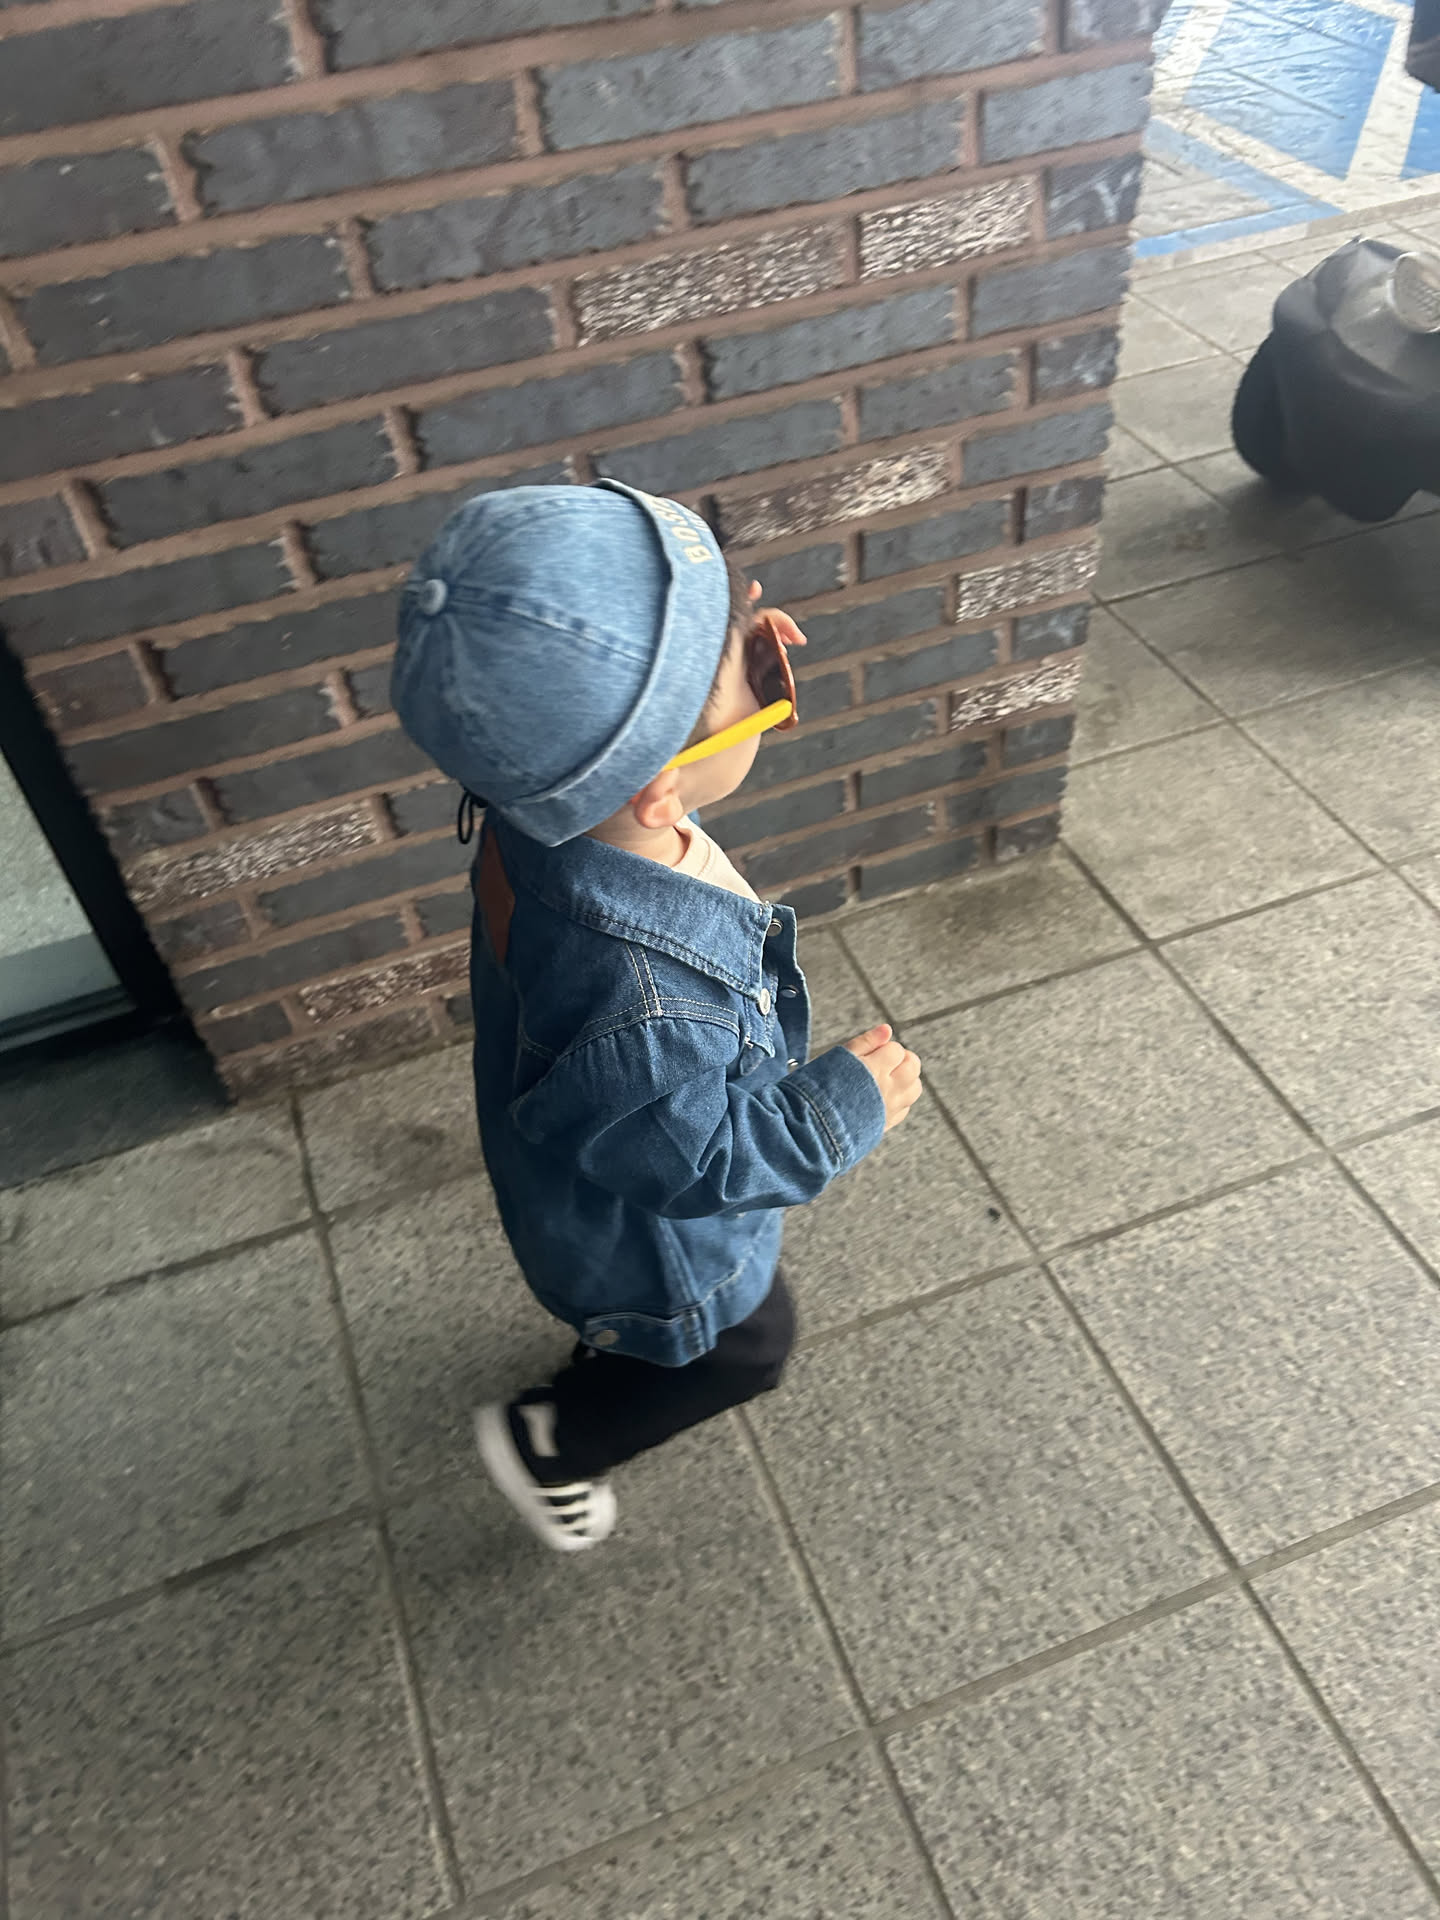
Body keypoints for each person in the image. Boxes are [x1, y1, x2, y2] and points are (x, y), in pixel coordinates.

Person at [392, 480, 922, 1552]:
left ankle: (613, 1344)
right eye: (762, 674)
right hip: (661, 1249)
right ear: (658, 793)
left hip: (586, 1162)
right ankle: (551, 1444)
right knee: (747, 1347)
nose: (779, 647)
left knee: (680, 1325)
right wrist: (838, 1110)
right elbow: (693, 1162)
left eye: (749, 618)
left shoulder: (538, 809)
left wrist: (725, 655)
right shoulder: (639, 999)